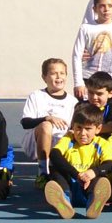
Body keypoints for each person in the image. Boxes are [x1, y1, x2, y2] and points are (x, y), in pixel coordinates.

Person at [43, 103, 112, 220]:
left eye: (88, 129)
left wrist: (93, 172)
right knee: (56, 170)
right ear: (73, 127)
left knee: (100, 178)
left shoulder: (102, 144)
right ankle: (64, 202)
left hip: (88, 186)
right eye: (78, 128)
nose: (82, 133)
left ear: (98, 129)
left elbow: (109, 164)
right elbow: (54, 154)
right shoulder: (68, 138)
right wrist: (76, 174)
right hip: (70, 184)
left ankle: (93, 203)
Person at [22, 58, 77, 187]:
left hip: (61, 146)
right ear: (44, 77)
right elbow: (25, 122)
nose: (59, 77)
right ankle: (43, 173)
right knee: (46, 126)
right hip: (37, 142)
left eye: (62, 73)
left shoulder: (73, 101)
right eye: (53, 73)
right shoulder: (36, 96)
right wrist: (47, 118)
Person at [72, 0, 112, 100]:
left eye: (110, 6)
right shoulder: (86, 28)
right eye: (102, 6)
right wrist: (78, 82)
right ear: (94, 9)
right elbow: (76, 55)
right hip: (88, 78)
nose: (106, 9)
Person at [83, 72, 112, 138]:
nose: (94, 97)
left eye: (99, 94)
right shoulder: (82, 106)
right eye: (91, 92)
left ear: (110, 93)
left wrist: (89, 131)